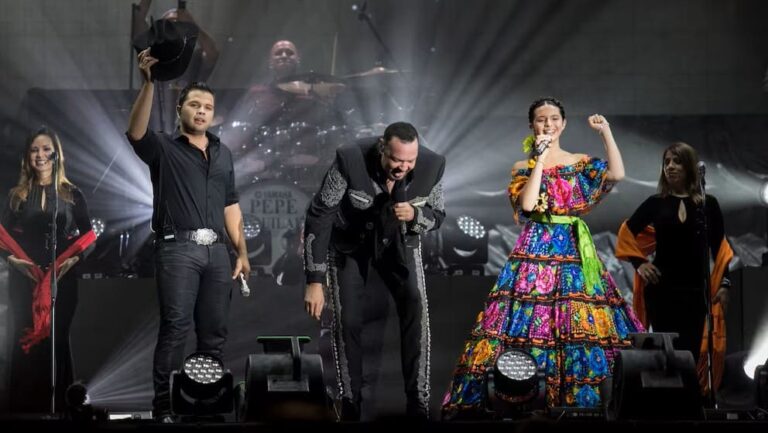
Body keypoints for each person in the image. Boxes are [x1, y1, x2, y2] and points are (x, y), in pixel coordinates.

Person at [441, 97, 644, 418]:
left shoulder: (579, 161)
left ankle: (584, 400)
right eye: (540, 119)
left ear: (563, 124)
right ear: (532, 126)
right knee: (528, 317)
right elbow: (528, 205)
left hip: (574, 249)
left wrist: (605, 132)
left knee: (578, 317)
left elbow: (616, 175)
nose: (547, 124)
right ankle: (522, 396)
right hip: (536, 246)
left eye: (553, 119)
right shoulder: (522, 167)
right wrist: (538, 160)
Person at [126, 47, 250, 422]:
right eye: (193, 104)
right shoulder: (163, 146)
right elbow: (136, 133)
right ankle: (164, 407)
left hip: (217, 253)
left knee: (214, 334)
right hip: (177, 248)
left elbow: (231, 204)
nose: (201, 111)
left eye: (207, 107)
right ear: (180, 109)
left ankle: (204, 402)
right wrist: (148, 84)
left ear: (213, 114)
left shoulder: (222, 152)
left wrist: (241, 251)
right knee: (176, 328)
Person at [303, 122, 445, 420]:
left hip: (400, 245)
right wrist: (315, 279)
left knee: (416, 312)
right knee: (348, 319)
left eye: (409, 161)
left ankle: (417, 401)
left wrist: (417, 214)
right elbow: (320, 214)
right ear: (383, 148)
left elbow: (438, 214)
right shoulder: (349, 159)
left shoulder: (433, 164)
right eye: (396, 160)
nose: (403, 167)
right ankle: (349, 399)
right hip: (350, 246)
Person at [616, 142, 733, 392]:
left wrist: (724, 283)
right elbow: (627, 232)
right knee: (667, 350)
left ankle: (693, 404)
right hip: (661, 290)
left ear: (689, 166)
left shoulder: (707, 205)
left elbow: (720, 248)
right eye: (667, 161)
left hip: (695, 291)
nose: (670, 166)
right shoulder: (655, 203)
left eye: (677, 161)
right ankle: (667, 403)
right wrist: (640, 263)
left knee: (691, 350)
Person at [0, 127, 96, 413]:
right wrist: (12, 261)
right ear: (27, 157)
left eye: (45, 149)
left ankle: (60, 408)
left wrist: (73, 261)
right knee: (24, 336)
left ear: (56, 155)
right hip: (25, 279)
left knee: (57, 338)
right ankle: (23, 409)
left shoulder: (71, 194)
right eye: (34, 150)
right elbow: (2, 238)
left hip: (61, 278)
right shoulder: (17, 194)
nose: (39, 155)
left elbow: (89, 237)